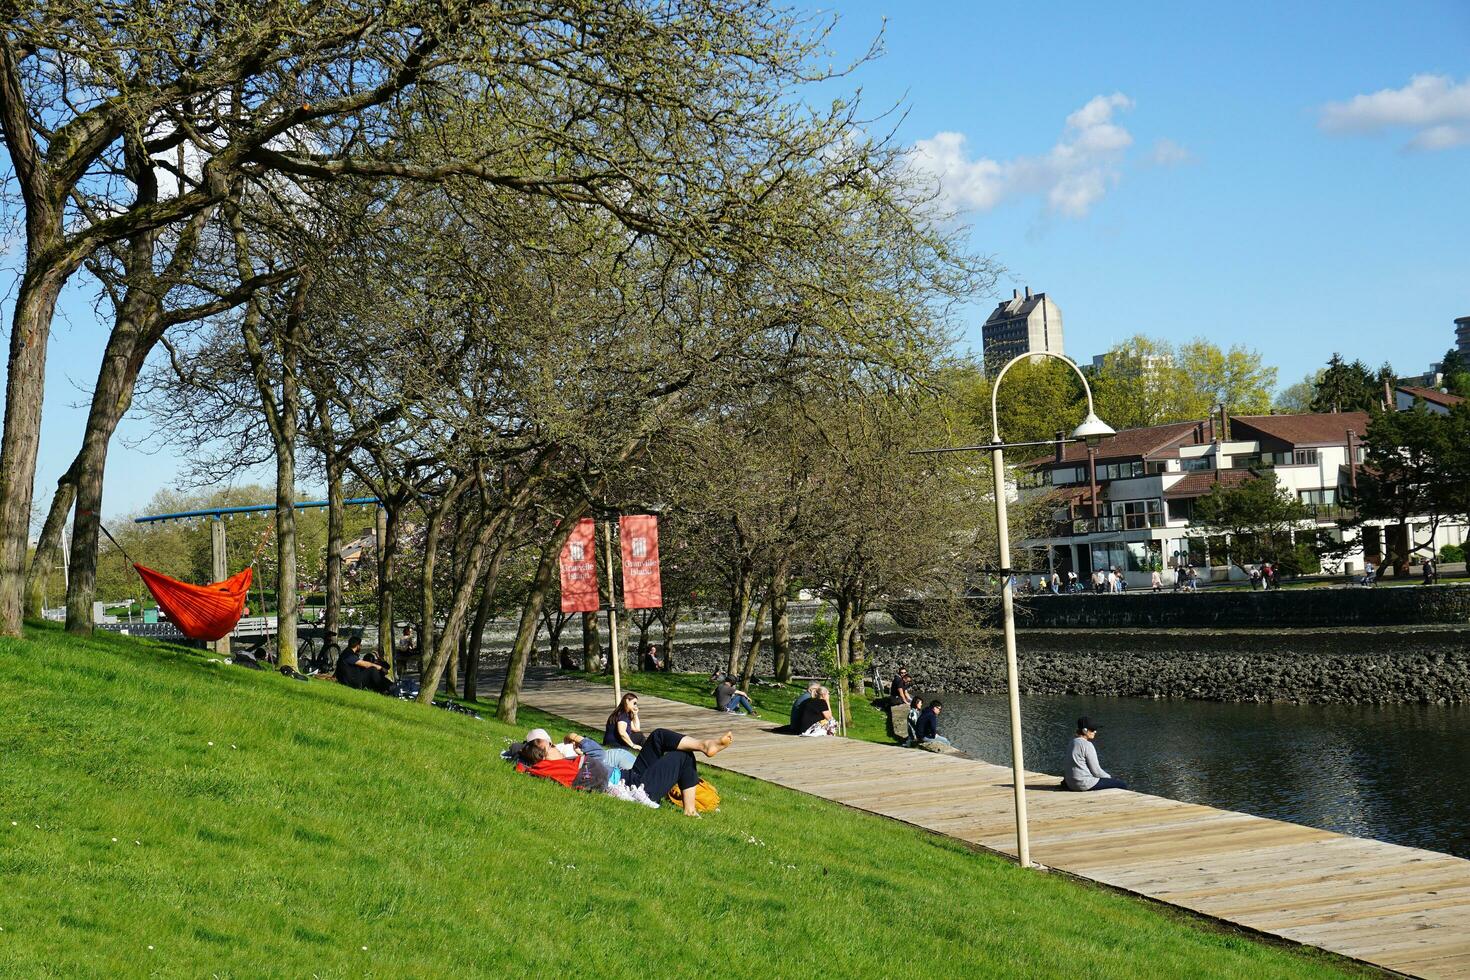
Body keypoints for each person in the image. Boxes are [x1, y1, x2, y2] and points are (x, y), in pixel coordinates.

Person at [1063, 716, 1127, 791]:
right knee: (1121, 784)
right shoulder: (1087, 745)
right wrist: (1110, 778)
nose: (1095, 731)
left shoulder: (1072, 742)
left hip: (1070, 784)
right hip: (1083, 784)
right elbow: (1096, 772)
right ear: (1085, 730)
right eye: (1093, 729)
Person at [602, 692, 646, 769]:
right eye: (634, 703)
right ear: (626, 701)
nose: (635, 705)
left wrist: (635, 714)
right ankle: (648, 757)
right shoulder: (622, 714)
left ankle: (646, 755)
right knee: (640, 737)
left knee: (639, 735)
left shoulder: (624, 714)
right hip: (615, 744)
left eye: (636, 704)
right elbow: (622, 732)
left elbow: (636, 729)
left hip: (616, 742)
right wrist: (633, 745)